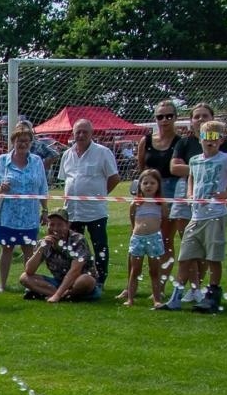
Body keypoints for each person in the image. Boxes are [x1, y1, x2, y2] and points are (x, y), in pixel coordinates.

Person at [161, 121, 227, 314]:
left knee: (213, 257)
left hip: (215, 216)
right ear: (200, 138)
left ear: (221, 140)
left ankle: (212, 295)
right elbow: (192, 177)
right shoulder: (195, 160)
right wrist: (189, 193)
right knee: (185, 256)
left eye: (214, 137)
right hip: (196, 215)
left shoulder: (225, 159)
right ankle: (176, 296)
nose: (210, 141)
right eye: (206, 137)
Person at [57, 119, 120, 292]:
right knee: (74, 247)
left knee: (100, 245)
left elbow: (114, 178)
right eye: (78, 132)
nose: (81, 135)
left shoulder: (103, 152)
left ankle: (100, 279)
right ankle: (75, 277)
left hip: (95, 212)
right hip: (73, 211)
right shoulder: (67, 155)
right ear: (73, 134)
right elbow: (66, 180)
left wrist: (99, 195)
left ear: (92, 134)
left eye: (85, 132)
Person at [0, 123, 48, 293]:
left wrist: (45, 211)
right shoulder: (1, 161)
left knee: (29, 251)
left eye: (26, 141)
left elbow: (43, 188)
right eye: (20, 141)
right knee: (6, 249)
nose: (23, 144)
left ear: (30, 143)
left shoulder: (36, 162)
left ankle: (29, 284)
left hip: (29, 216)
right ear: (13, 141)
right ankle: (2, 285)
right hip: (7, 215)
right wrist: (0, 188)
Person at [168, 103, 225, 272]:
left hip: (210, 197)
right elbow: (174, 168)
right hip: (186, 190)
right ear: (191, 121)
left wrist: (198, 167)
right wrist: (202, 167)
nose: (200, 119)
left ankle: (201, 282)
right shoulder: (183, 142)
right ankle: (193, 285)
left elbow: (224, 167)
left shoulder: (221, 142)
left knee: (206, 244)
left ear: (212, 119)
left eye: (204, 116)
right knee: (188, 241)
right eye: (196, 116)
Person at [20, 212, 100, 302]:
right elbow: (29, 270)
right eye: (52, 225)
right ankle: (65, 295)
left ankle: (57, 294)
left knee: (86, 280)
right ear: (47, 225)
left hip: (78, 282)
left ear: (68, 225)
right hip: (59, 281)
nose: (55, 228)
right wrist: (41, 248)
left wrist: (57, 295)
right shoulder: (45, 242)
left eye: (60, 225)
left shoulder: (78, 240)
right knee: (24, 277)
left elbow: (75, 271)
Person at [140, 100, 183, 257]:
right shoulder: (146, 141)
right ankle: (144, 277)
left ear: (175, 117)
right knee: (142, 234)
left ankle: (162, 279)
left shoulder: (181, 142)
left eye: (169, 116)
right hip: (150, 190)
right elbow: (142, 168)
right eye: (160, 116)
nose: (164, 120)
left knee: (165, 238)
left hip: (172, 189)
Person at [122, 170, 168, 307]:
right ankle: (130, 298)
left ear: (158, 185)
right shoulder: (135, 204)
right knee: (135, 270)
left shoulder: (161, 204)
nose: (149, 186)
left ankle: (157, 298)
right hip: (138, 238)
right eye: (145, 183)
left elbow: (165, 219)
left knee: (154, 271)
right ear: (140, 185)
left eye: (152, 183)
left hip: (154, 239)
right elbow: (132, 220)